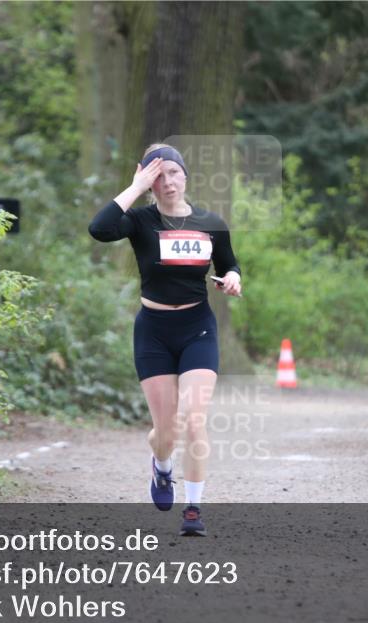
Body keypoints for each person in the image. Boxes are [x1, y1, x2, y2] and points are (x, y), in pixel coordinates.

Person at [88, 143, 242, 536]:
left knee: (193, 420)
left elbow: (228, 262)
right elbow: (100, 228)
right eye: (158, 176)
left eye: (174, 172)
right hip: (154, 332)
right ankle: (161, 466)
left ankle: (193, 508)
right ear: (149, 182)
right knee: (165, 432)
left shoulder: (210, 222)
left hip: (198, 329)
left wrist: (233, 278)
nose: (168, 182)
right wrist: (136, 187)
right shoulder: (139, 221)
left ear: (186, 176)